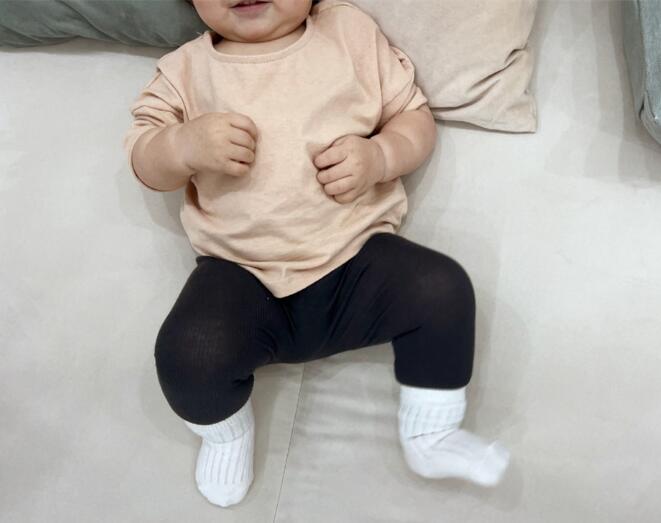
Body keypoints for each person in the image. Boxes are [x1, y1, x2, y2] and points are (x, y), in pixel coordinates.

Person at [123, 0, 510, 508]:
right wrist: (181, 147)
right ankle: (226, 433)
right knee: (187, 354)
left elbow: (412, 116)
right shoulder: (185, 70)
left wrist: (381, 156)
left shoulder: (349, 32)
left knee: (443, 288)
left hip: (356, 259)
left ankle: (430, 433)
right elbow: (143, 157)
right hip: (241, 278)